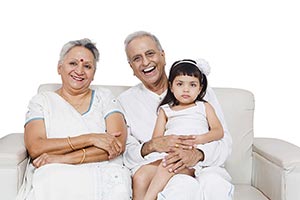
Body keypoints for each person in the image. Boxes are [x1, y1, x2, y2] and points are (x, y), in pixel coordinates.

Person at [118, 31, 234, 200]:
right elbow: (126, 154)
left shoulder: (200, 94)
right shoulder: (125, 101)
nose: (145, 62)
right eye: (137, 58)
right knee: (176, 185)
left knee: (213, 184)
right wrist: (151, 146)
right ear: (131, 67)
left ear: (163, 55)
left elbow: (224, 141)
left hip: (205, 166)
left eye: (150, 53)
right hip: (161, 166)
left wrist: (199, 153)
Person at [16, 38, 131, 200]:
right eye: (73, 63)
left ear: (93, 74)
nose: (80, 71)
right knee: (50, 178)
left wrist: (63, 158)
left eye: (87, 66)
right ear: (59, 67)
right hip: (54, 170)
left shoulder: (105, 98)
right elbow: (36, 147)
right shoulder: (42, 101)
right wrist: (91, 138)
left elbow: (116, 146)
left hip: (101, 168)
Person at [139, 59, 225, 200]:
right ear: (171, 87)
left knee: (169, 166)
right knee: (141, 174)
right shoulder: (166, 110)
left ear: (200, 88)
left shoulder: (204, 107)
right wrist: (167, 145)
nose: (186, 89)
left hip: (194, 153)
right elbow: (157, 140)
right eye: (180, 84)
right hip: (171, 151)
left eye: (192, 85)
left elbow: (218, 131)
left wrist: (199, 139)